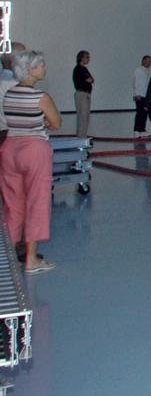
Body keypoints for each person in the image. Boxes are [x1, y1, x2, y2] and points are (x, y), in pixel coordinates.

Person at [1, 50, 61, 273]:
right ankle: (32, 259)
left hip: (10, 149)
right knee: (36, 202)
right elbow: (56, 123)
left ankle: (7, 257)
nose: (44, 68)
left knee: (13, 205)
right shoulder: (40, 97)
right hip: (34, 151)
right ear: (31, 70)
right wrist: (42, 123)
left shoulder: (9, 94)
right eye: (41, 65)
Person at [72, 49, 94, 136]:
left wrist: (89, 80)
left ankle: (82, 136)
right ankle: (81, 138)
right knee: (83, 117)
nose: (88, 59)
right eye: (87, 57)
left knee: (86, 117)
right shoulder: (78, 69)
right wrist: (87, 81)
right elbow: (80, 82)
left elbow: (91, 79)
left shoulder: (84, 69)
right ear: (81, 58)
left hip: (87, 94)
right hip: (81, 94)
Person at [132, 54, 151, 138]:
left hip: (146, 96)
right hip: (140, 95)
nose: (149, 63)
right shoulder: (138, 70)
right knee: (139, 113)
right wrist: (136, 94)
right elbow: (135, 82)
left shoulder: (148, 71)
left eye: (150, 61)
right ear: (143, 61)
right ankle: (136, 131)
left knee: (144, 113)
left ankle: (142, 130)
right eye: (148, 61)